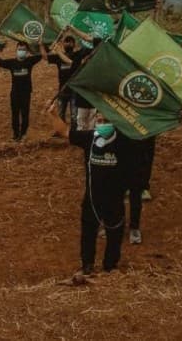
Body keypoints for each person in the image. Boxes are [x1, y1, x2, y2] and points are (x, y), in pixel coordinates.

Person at [47, 102, 132, 276]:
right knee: (88, 232)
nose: (102, 123)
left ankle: (110, 266)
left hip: (115, 197)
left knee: (114, 232)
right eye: (99, 119)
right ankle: (87, 265)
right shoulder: (90, 137)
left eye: (106, 119)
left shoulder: (125, 139)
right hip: (93, 197)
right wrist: (53, 115)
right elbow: (65, 132)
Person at [0, 40, 47, 141]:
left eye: (23, 50)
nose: (21, 51)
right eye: (19, 49)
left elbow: (42, 55)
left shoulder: (30, 61)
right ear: (16, 50)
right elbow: (0, 62)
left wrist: (41, 45)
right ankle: (15, 134)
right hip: (15, 93)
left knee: (25, 114)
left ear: (27, 52)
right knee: (15, 114)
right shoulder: (11, 63)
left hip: (26, 93)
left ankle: (23, 134)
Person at [126, 136, 156, 244]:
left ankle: (134, 227)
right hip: (120, 145)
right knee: (115, 190)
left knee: (136, 190)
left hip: (140, 149)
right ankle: (112, 224)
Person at [47, 35, 79, 127]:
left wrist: (58, 51)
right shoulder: (58, 57)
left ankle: (74, 131)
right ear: (63, 44)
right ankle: (60, 130)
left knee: (74, 114)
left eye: (70, 42)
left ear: (74, 44)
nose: (68, 43)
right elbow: (46, 57)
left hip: (74, 90)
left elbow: (71, 62)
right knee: (61, 112)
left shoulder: (77, 55)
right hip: (62, 89)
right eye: (66, 41)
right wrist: (42, 45)